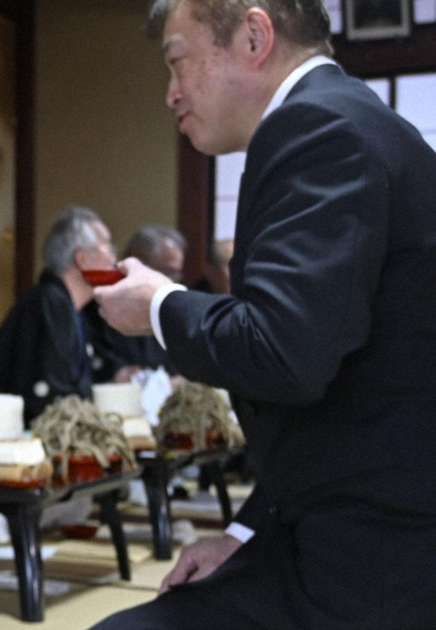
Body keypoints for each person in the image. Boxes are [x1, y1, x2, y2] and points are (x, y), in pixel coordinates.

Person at [93, 0, 436, 626]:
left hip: (374, 556)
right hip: (346, 524)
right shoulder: (350, 118)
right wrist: (244, 535)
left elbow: (286, 354)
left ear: (254, 36)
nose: (171, 93)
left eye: (178, 62)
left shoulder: (321, 129)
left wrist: (159, 306)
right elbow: (333, 388)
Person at [0, 205, 117, 421]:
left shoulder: (72, 309)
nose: (114, 257)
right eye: (107, 245)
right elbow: (48, 396)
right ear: (82, 259)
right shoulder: (47, 303)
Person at [86, 225, 184, 382]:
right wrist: (118, 371)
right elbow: (96, 352)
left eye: (176, 273)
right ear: (137, 262)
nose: (169, 281)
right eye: (167, 272)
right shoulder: (100, 296)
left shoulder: (168, 301)